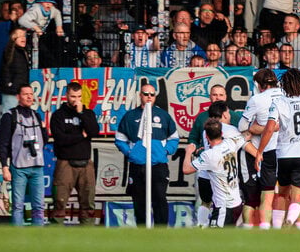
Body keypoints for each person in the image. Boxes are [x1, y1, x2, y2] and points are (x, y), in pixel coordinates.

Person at [255, 68, 300, 229]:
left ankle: (276, 228)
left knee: (281, 194)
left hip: (283, 155)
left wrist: (260, 151)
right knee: (297, 198)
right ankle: (291, 219)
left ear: (284, 85)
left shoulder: (279, 102)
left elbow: (269, 129)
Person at [114, 83, 179, 226]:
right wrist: (131, 153)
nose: (149, 97)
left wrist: (165, 151)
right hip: (138, 166)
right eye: (146, 94)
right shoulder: (130, 116)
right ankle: (142, 233)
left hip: (158, 165)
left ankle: (161, 233)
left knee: (160, 199)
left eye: (152, 94)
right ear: (140, 95)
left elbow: (174, 138)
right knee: (139, 201)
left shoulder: (163, 115)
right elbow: (119, 139)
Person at [187, 85, 244, 226]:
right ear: (209, 96)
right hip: (206, 170)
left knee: (227, 202)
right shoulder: (201, 117)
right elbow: (192, 139)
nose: (217, 97)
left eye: (221, 95)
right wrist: (197, 150)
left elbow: (243, 137)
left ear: (226, 97)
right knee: (206, 200)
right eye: (214, 94)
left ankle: (222, 225)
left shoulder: (235, 117)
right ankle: (201, 226)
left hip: (225, 171)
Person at [183, 117, 252, 228]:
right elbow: (247, 136)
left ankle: (201, 225)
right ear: (222, 133)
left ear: (206, 136)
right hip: (237, 203)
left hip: (224, 207)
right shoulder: (231, 143)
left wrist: (188, 152)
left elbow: (186, 169)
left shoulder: (210, 155)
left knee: (214, 242)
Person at [50, 82, 100, 225]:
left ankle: (88, 237)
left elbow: (94, 131)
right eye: (73, 96)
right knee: (59, 202)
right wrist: (82, 136)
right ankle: (55, 238)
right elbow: (61, 139)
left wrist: (81, 113)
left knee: (88, 203)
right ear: (66, 95)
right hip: (65, 163)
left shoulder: (87, 113)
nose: (76, 100)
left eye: (78, 96)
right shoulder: (58, 115)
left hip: (86, 162)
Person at [239, 68, 284, 229]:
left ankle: (265, 230)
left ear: (258, 84)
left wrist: (259, 128)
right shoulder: (289, 95)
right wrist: (274, 127)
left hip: (268, 151)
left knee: (266, 193)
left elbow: (242, 126)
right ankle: (283, 229)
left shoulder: (257, 99)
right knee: (289, 194)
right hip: (290, 150)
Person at [0, 85, 47, 226]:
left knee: (39, 206)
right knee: (18, 207)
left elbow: (45, 140)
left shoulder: (36, 115)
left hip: (37, 167)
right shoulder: (10, 116)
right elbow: (3, 144)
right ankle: (18, 239)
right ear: (18, 97)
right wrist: (5, 167)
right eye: (25, 94)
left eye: (31, 94)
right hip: (19, 168)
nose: (29, 97)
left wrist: (44, 128)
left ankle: (38, 240)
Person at [17, 0, 65, 68]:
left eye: (50, 2)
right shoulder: (35, 9)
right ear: (40, 3)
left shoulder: (52, 10)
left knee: (44, 55)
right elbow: (21, 20)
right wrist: (35, 27)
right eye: (45, 2)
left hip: (38, 36)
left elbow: (57, 14)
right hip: (26, 36)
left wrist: (59, 26)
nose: (48, 4)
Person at [0, 28, 31, 112]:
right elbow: (5, 71)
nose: (23, 38)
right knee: (9, 115)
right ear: (14, 38)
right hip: (11, 91)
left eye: (24, 36)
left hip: (20, 91)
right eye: (20, 36)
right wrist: (9, 85)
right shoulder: (10, 51)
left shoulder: (24, 52)